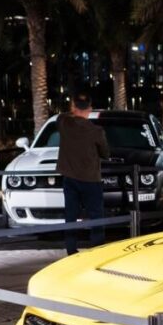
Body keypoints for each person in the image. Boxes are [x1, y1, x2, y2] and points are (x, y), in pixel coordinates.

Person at [57, 87, 109, 255]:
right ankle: (97, 251)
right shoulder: (96, 131)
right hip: (91, 179)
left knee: (71, 215)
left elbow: (62, 116)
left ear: (73, 107)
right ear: (90, 108)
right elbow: (105, 153)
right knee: (96, 217)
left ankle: (71, 250)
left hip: (70, 178)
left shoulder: (64, 123)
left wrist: (74, 110)